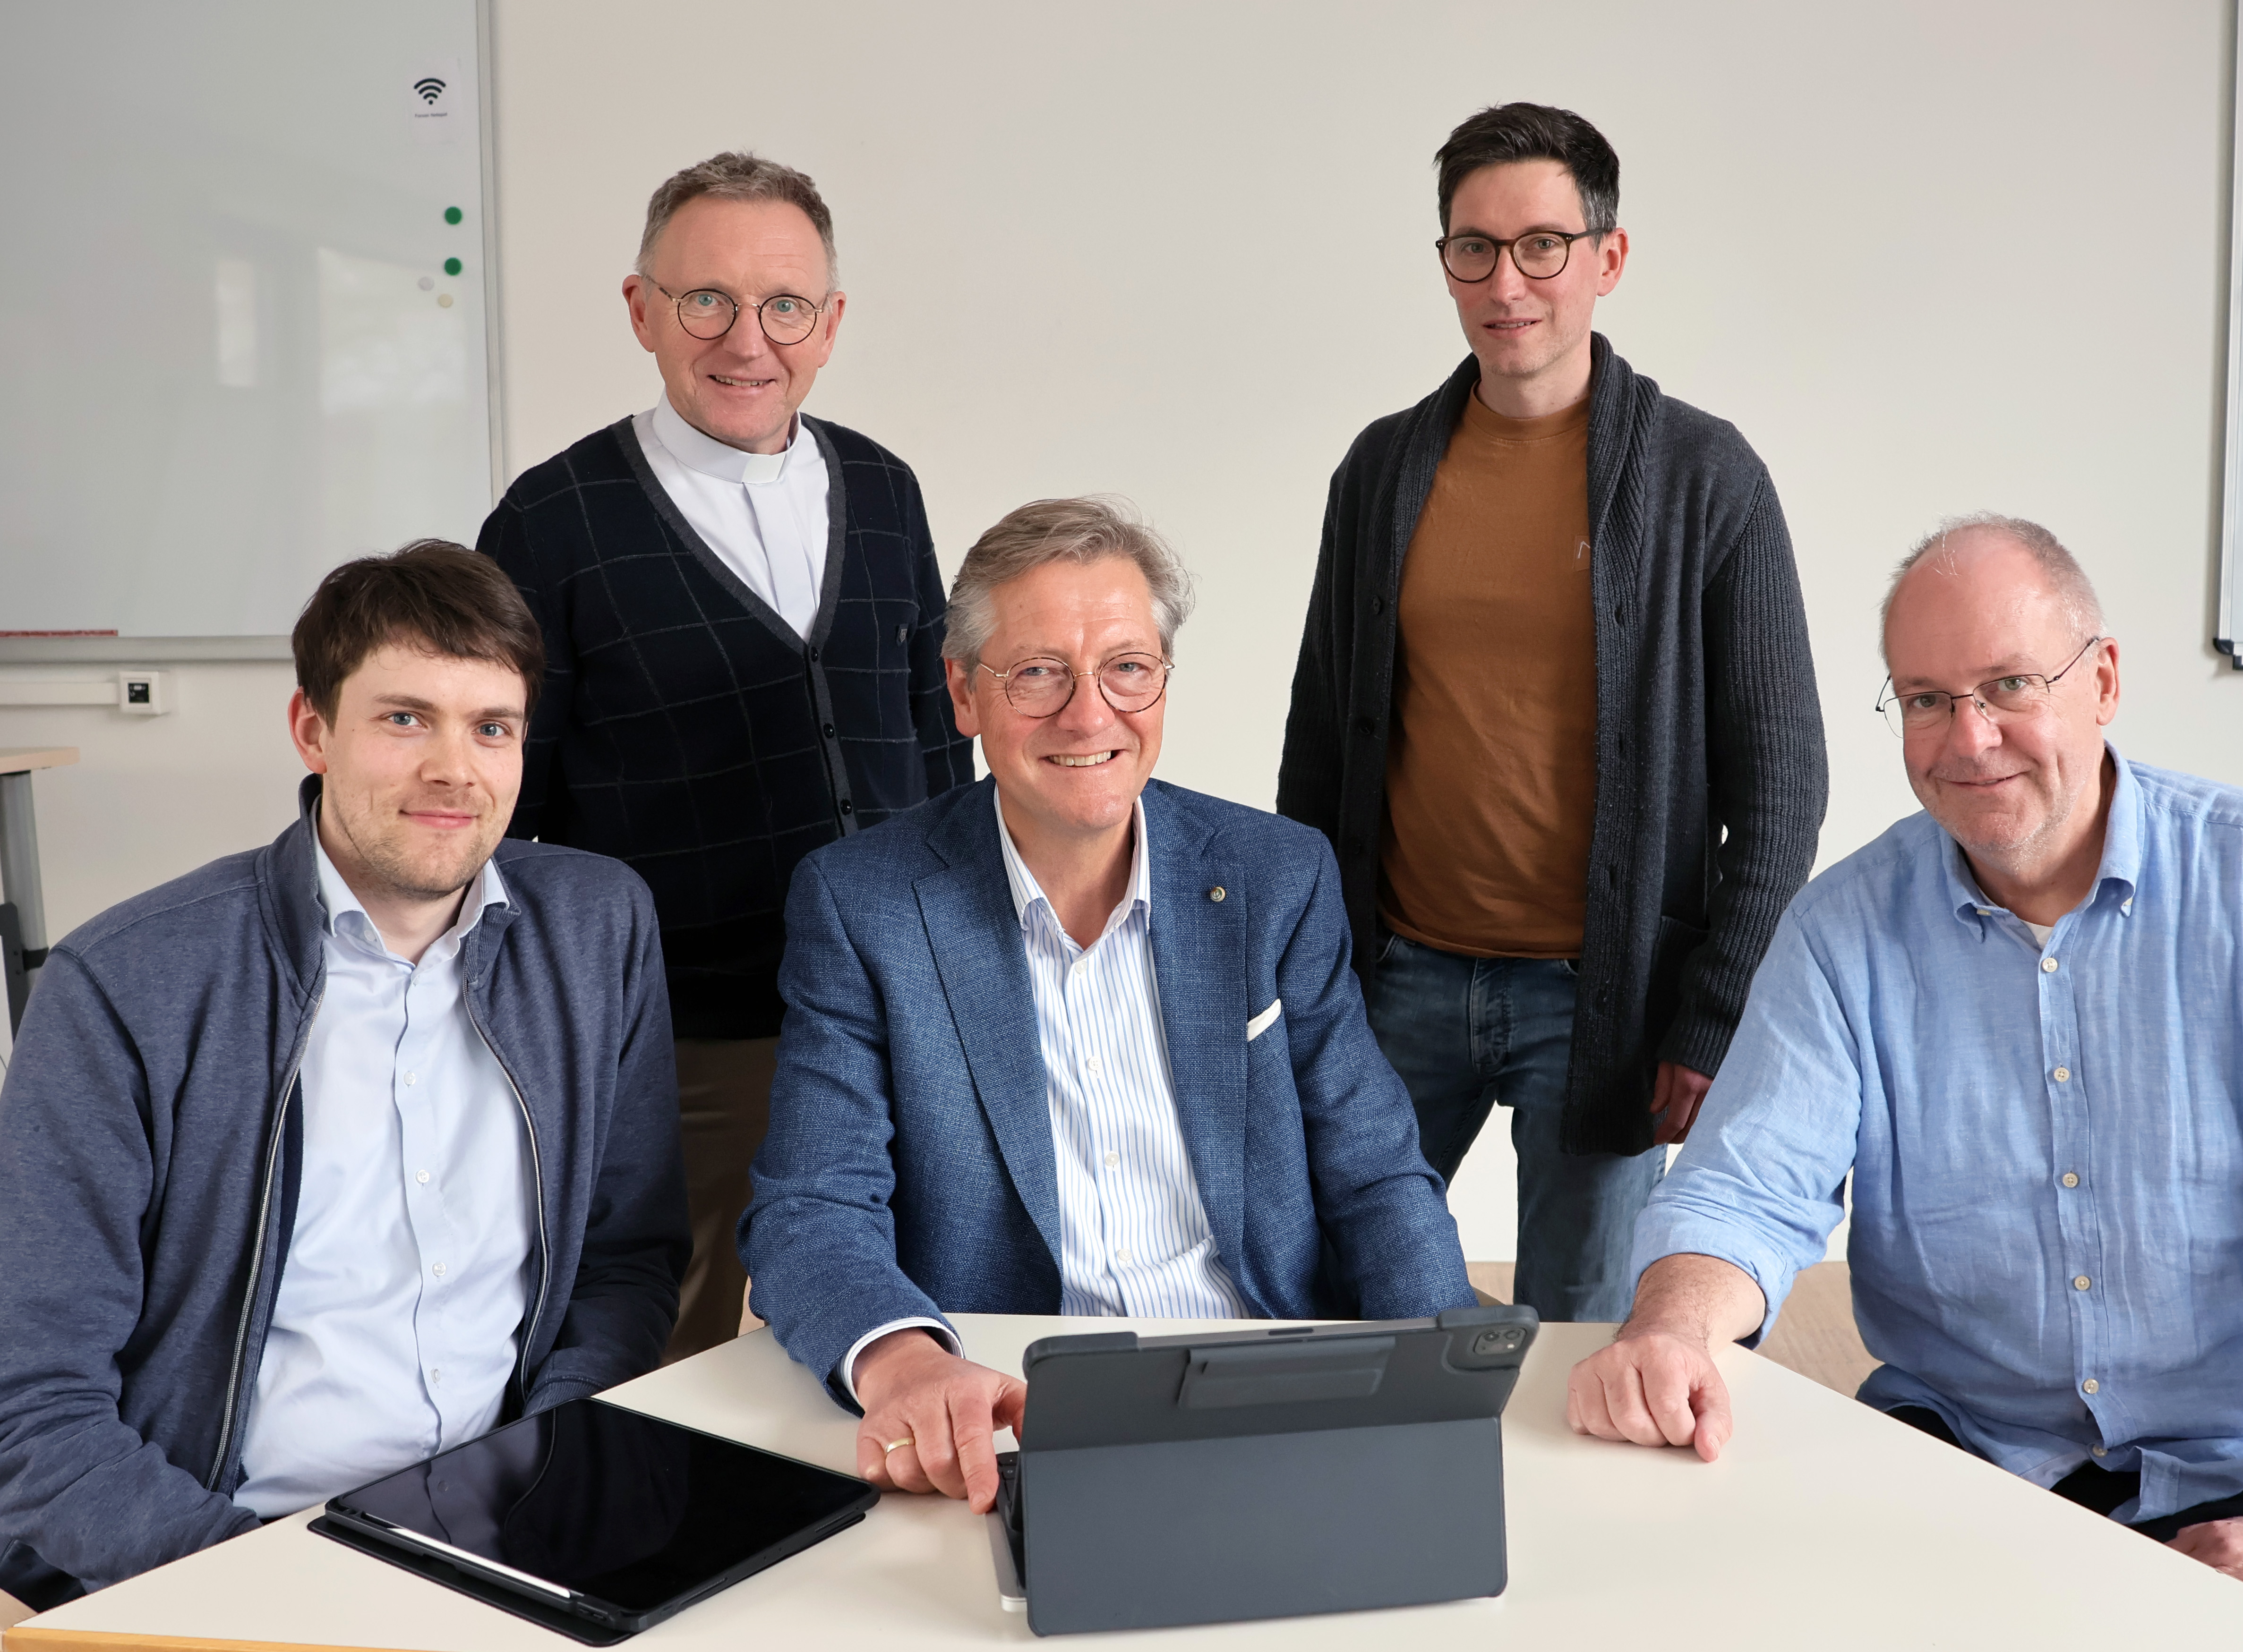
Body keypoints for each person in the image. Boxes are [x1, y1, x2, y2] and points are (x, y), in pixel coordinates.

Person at [1567, 514, 2243, 1638]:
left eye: (2010, 685)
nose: (1969, 739)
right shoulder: (1841, 931)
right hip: (1958, 1453)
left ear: (2103, 680)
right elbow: (1744, 1192)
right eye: (1926, 699)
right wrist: (1673, 1328)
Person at [742, 497, 1474, 1510]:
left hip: (1261, 1380)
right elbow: (811, 1207)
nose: (1090, 716)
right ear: (963, 693)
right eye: (1039, 673)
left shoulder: (1276, 875)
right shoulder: (864, 903)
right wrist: (909, 1364)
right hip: (1013, 1409)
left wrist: (1440, 1388)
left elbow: (1377, 1174)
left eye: (1127, 667)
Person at [0, 544, 686, 1606]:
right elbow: (32, 1403)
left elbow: (625, 1263)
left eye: (491, 727)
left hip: (516, 1536)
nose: (455, 769)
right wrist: (270, 1588)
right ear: (312, 729)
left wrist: (555, 1475)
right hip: (224, 1551)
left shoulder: (598, 929)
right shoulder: (129, 982)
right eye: (405, 718)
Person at [1276, 103, 1827, 1322]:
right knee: (1339, 1299)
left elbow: (1782, 784)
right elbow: (1319, 744)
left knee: (1583, 1334)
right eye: (1473, 248)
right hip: (1399, 976)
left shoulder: (1704, 477)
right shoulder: (1381, 470)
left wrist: (1712, 1011)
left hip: (1602, 996)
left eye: (1541, 245)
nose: (1505, 283)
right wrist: (1309, 970)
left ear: (1607, 257)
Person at [479, 152, 969, 1362]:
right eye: (707, 300)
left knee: (906, 1312)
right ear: (641, 309)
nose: (748, 340)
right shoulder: (552, 522)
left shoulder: (886, 489)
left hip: (901, 1004)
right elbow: (506, 807)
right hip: (691, 1034)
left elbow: (937, 742)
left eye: (784, 305)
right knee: (682, 1332)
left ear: (831, 323)